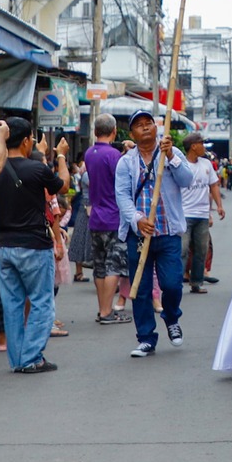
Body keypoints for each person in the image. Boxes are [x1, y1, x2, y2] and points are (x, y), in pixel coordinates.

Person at [0, 117, 65, 374]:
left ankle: (18, 359)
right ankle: (31, 358)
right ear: (28, 141)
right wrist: (60, 157)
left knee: (13, 304)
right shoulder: (36, 169)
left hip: (5, 245)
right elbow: (64, 185)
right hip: (34, 245)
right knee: (41, 302)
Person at [115, 111, 196, 359]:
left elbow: (187, 180)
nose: (145, 128)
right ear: (132, 134)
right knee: (140, 288)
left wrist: (171, 156)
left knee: (172, 284)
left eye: (148, 123)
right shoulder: (126, 162)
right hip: (139, 235)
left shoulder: (170, 152)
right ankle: (146, 338)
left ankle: (171, 317)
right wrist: (137, 220)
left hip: (168, 231)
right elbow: (122, 196)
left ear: (156, 127)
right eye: (139, 126)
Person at [83, 114, 128, 326]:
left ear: (95, 131)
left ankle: (103, 309)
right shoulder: (114, 156)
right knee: (114, 265)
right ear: (114, 131)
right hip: (113, 217)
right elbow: (122, 183)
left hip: (96, 217)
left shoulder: (89, 153)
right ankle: (107, 311)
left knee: (99, 266)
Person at [179, 133, 223, 293]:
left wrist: (219, 206)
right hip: (184, 213)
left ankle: (196, 282)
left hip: (202, 214)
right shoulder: (181, 164)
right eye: (201, 143)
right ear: (193, 146)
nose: (204, 147)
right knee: (182, 250)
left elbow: (214, 185)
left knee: (201, 249)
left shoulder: (206, 164)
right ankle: (176, 283)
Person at [66, 154, 92, 282]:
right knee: (82, 238)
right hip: (88, 207)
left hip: (88, 206)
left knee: (82, 238)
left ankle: (79, 271)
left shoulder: (86, 172)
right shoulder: (88, 174)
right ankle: (79, 271)